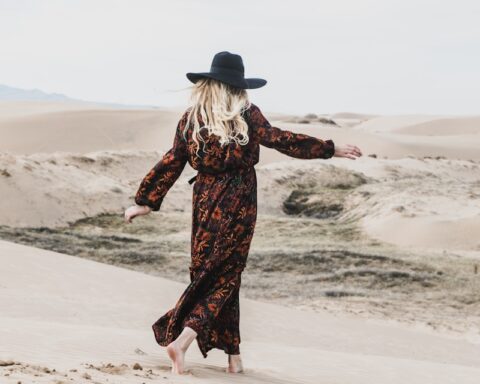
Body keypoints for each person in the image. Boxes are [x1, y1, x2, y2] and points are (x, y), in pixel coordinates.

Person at [124, 51, 362, 375]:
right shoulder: (248, 114)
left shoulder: (192, 119)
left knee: (211, 272)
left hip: (205, 201)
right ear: (238, 87)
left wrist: (146, 201)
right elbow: (281, 139)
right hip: (239, 199)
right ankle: (181, 341)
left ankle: (234, 358)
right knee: (226, 274)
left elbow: (172, 160)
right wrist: (328, 149)